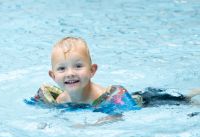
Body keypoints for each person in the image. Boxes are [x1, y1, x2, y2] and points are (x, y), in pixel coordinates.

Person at [31, 37, 198, 114]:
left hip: (146, 100)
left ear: (92, 70)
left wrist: (95, 126)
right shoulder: (60, 100)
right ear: (52, 76)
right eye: (62, 69)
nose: (70, 73)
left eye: (78, 66)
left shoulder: (102, 96)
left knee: (184, 100)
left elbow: (116, 116)